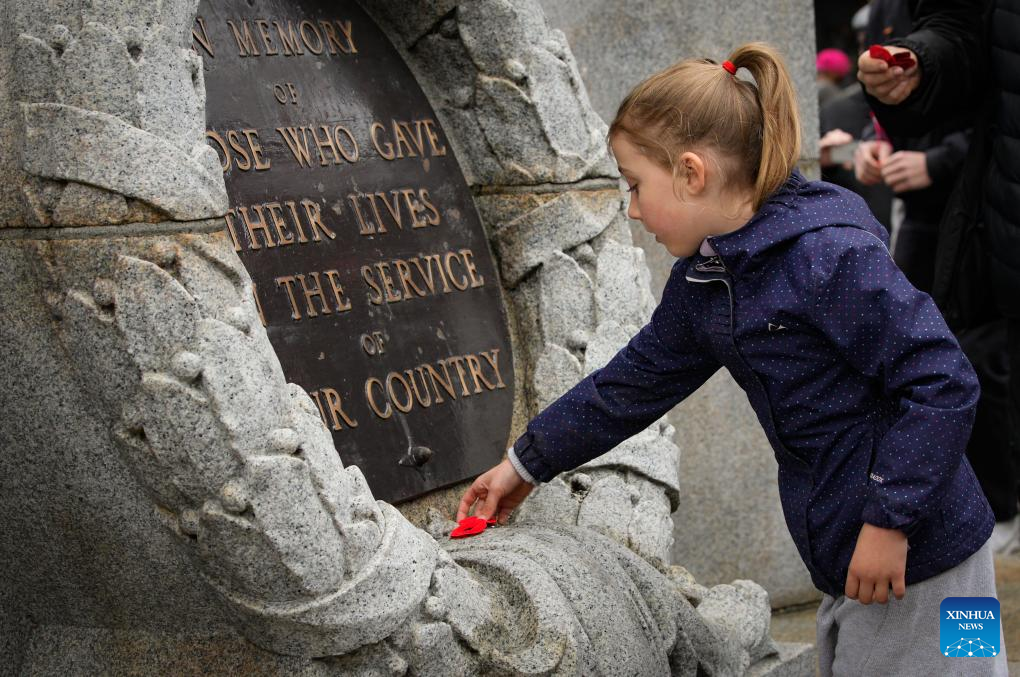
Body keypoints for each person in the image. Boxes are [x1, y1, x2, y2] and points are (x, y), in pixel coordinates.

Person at [458, 43, 1005, 676]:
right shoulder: (710, 280)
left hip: (923, 562)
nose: (631, 209)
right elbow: (631, 384)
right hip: (860, 557)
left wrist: (890, 521)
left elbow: (942, 380)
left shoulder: (828, 259)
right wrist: (525, 463)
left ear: (692, 173)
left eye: (636, 185)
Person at [857, 0, 1019, 554]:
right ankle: (976, 510)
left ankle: (996, 509)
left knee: (968, 366)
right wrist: (876, 135)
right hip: (943, 225)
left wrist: (939, 162)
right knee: (933, 359)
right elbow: (951, 58)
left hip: (965, 210)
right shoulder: (892, 12)